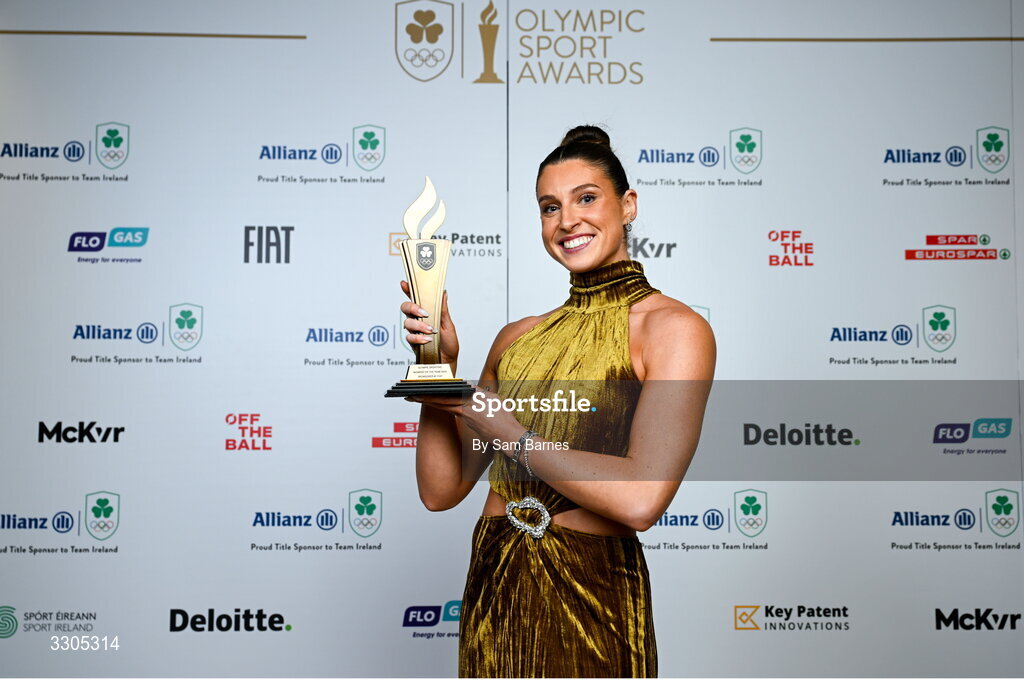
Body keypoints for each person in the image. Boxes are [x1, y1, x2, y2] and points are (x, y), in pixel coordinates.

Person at [399, 125, 716, 678]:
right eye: (549, 207)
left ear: (629, 204)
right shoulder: (515, 338)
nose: (567, 220)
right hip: (494, 591)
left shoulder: (674, 329)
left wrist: (501, 425)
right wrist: (437, 366)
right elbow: (439, 490)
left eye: (586, 198)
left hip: (592, 598)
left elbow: (642, 498)